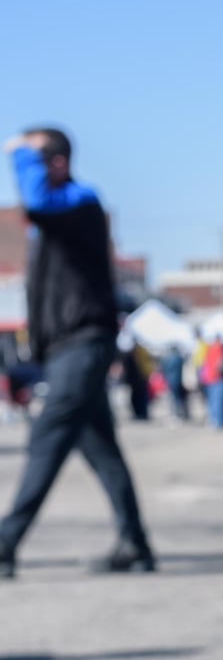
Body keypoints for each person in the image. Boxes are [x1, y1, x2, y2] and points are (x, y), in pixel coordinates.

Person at [0, 128, 154, 577]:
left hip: (82, 344)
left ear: (57, 162)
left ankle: (6, 541)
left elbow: (36, 203)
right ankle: (136, 544)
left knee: (47, 439)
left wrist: (22, 155)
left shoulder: (79, 201)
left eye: (36, 155)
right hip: (70, 347)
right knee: (103, 451)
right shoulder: (60, 217)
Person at [157, 343, 190, 422]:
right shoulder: (179, 358)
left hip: (169, 380)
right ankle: (179, 414)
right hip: (178, 380)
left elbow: (162, 369)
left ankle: (174, 414)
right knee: (178, 398)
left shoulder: (166, 358)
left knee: (172, 398)